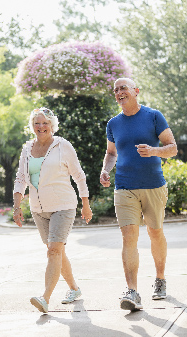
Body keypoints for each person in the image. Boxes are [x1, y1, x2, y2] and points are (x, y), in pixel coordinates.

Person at [100, 78, 178, 311]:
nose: (119, 92)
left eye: (123, 87)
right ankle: (132, 291)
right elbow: (111, 153)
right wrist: (105, 169)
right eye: (116, 90)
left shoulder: (154, 116)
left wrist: (154, 150)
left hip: (153, 185)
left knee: (155, 233)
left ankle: (160, 278)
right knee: (129, 237)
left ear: (136, 91)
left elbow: (172, 147)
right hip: (124, 186)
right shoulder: (113, 123)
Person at [13, 107, 93, 314]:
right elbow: (21, 178)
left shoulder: (62, 146)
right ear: (32, 126)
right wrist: (17, 206)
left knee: (53, 250)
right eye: (37, 123)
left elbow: (79, 175)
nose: (40, 127)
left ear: (52, 125)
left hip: (63, 206)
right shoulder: (27, 148)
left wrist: (85, 203)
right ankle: (74, 288)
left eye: (44, 123)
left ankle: (45, 298)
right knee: (57, 251)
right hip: (39, 209)